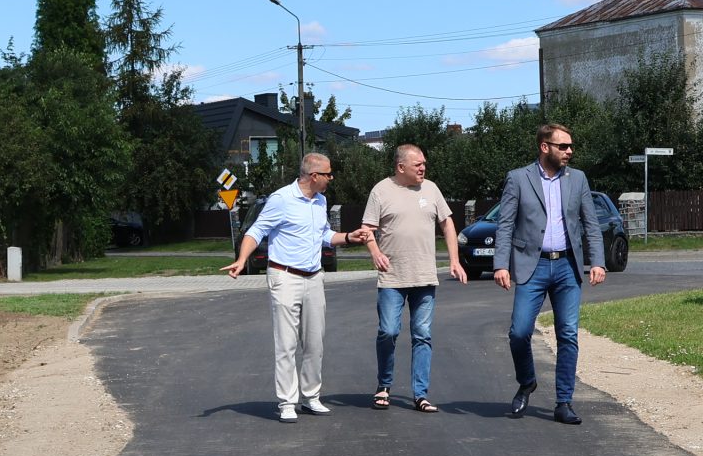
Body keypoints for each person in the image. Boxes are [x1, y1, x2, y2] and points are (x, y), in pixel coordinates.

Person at [226, 152, 373, 422]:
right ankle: (286, 402)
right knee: (287, 343)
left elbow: (325, 235)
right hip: (285, 277)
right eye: (328, 173)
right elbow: (256, 231)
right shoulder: (281, 199)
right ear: (314, 176)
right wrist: (242, 259)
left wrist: (350, 237)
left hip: (314, 277)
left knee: (315, 342)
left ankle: (311, 397)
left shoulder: (321, 200)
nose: (332, 178)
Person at [490, 122, 606, 425]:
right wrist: (501, 264)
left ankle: (564, 402)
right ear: (545, 147)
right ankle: (527, 381)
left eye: (570, 146)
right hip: (532, 265)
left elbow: (590, 224)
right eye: (563, 146)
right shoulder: (518, 179)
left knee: (568, 334)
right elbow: (505, 224)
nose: (570, 151)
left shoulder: (577, 179)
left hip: (568, 266)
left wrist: (598, 262)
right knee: (519, 332)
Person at [360, 143, 467, 412]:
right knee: (388, 331)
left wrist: (454, 260)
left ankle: (420, 394)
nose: (423, 168)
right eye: (417, 164)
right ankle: (384, 385)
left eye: (424, 163)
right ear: (401, 167)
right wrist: (374, 252)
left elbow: (447, 223)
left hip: (424, 276)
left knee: (422, 335)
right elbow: (367, 229)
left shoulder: (430, 189)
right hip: (392, 277)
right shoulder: (381, 190)